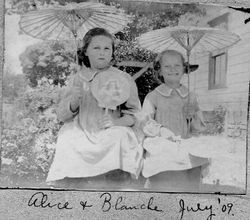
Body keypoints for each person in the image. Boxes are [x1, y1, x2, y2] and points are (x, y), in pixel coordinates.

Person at [46, 27, 143, 189]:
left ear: (112, 52)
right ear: (86, 52)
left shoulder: (122, 78)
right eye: (96, 48)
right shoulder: (78, 78)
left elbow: (135, 114)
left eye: (107, 48)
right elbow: (62, 115)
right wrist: (74, 100)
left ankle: (117, 184)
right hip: (84, 129)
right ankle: (75, 185)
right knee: (67, 137)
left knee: (121, 136)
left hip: (110, 128)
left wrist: (116, 122)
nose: (102, 52)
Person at [140, 49, 209, 192]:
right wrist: (160, 130)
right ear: (159, 71)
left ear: (184, 69)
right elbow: (145, 122)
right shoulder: (153, 96)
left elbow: (198, 128)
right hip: (163, 141)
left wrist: (193, 116)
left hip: (185, 140)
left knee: (196, 154)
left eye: (177, 65)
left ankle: (188, 188)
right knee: (164, 155)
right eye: (167, 66)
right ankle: (162, 188)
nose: (172, 69)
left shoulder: (190, 96)